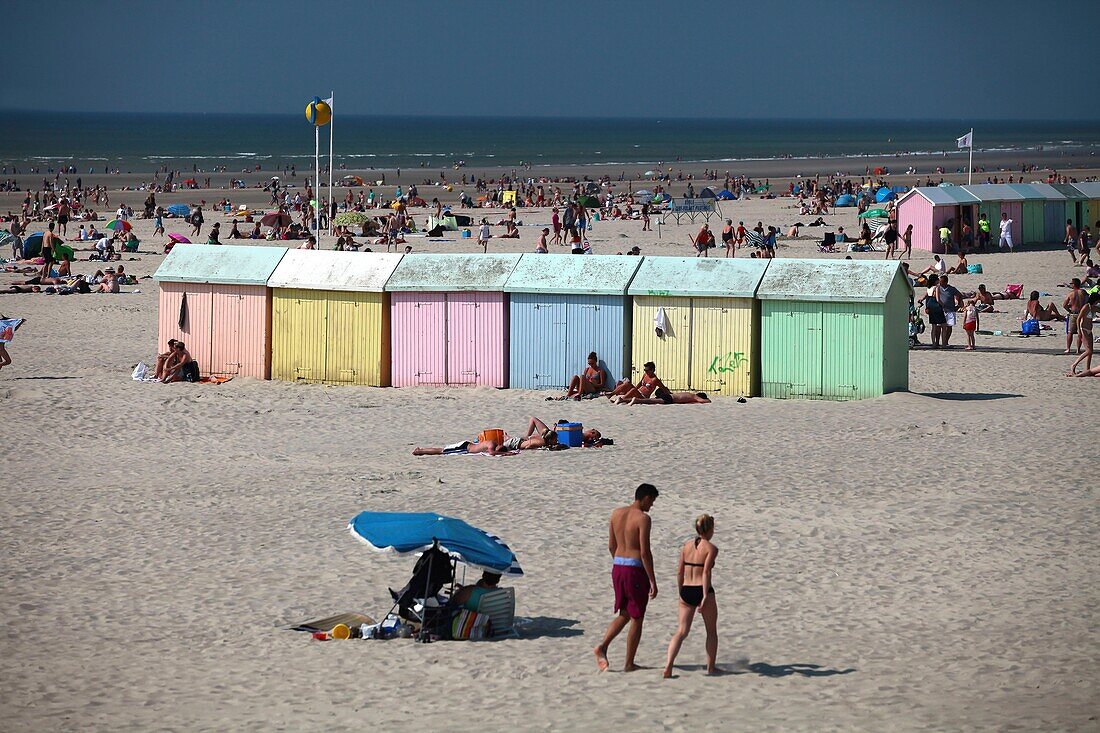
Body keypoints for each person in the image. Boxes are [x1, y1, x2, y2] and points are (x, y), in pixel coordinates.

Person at [594, 483, 659, 673]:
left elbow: (611, 546)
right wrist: (652, 579)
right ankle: (629, 663)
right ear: (645, 498)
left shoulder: (616, 513)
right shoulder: (643, 519)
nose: (651, 506)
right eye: (652, 501)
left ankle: (603, 647)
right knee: (637, 616)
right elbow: (645, 552)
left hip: (618, 566)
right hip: (634, 569)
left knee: (625, 612)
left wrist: (620, 563)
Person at [663, 514, 719, 678]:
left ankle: (668, 665)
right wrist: (704, 596)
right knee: (711, 631)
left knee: (681, 631)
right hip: (702, 590)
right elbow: (706, 572)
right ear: (710, 530)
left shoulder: (686, 546)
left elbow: (680, 571)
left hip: (687, 590)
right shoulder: (711, 548)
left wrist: (680, 591)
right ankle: (711, 668)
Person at [1065, 292, 1096, 375]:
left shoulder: (1094, 308)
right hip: (1084, 330)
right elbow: (1078, 319)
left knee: (1091, 351)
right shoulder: (1086, 307)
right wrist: (1079, 331)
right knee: (1088, 351)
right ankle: (1074, 365)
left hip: (1090, 330)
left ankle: (1087, 369)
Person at [934, 274, 963, 347]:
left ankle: (946, 341)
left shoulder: (952, 289)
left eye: (942, 282)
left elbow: (959, 295)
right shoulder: (938, 288)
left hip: (950, 309)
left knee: (949, 326)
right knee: (938, 326)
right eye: (940, 281)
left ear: (946, 282)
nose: (940, 283)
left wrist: (958, 304)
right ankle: (937, 342)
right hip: (941, 310)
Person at [1063, 278, 1087, 354]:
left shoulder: (1070, 294)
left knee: (1070, 332)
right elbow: (1087, 301)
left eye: (1071, 284)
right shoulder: (1083, 292)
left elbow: (1064, 305)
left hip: (1073, 313)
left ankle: (1068, 348)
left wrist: (1069, 310)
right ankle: (1078, 349)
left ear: (1074, 284)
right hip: (1081, 313)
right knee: (1080, 332)